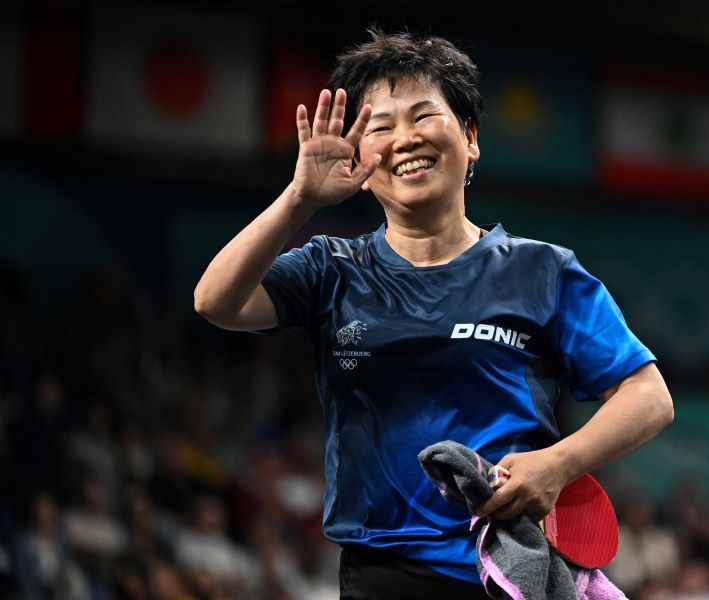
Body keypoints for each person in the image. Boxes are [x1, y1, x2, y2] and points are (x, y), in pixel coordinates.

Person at [194, 28, 674, 599]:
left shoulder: (542, 271)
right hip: (381, 574)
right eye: (380, 127)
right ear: (359, 158)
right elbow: (215, 300)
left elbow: (649, 397)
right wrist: (300, 198)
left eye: (423, 115)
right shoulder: (331, 269)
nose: (405, 138)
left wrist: (556, 465)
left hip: (508, 570)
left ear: (470, 137)